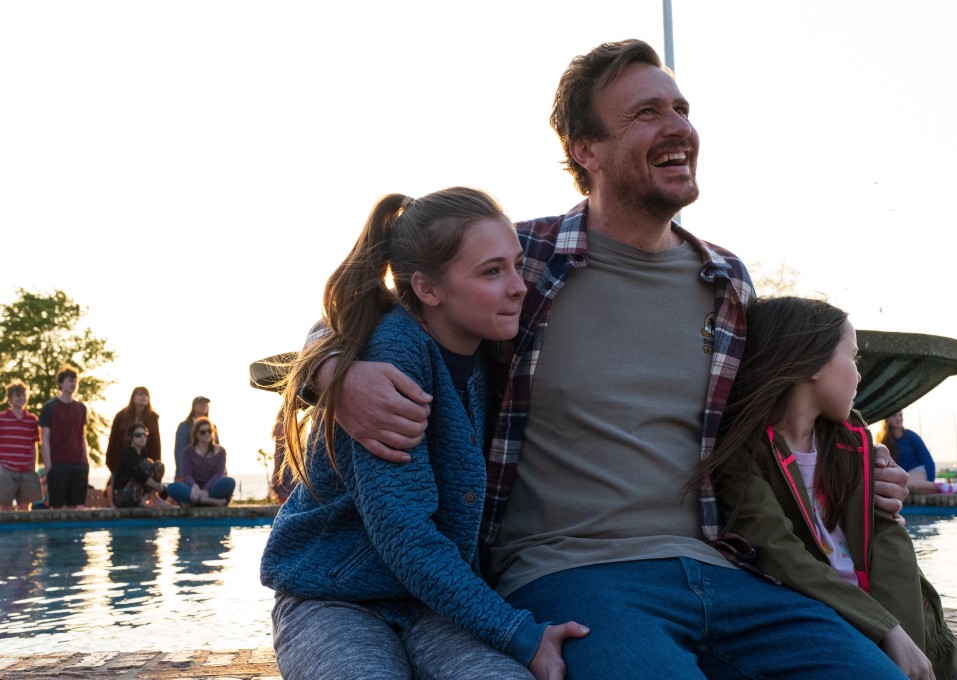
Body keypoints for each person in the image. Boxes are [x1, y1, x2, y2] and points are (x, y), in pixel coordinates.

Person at [314, 39, 911, 678]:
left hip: (727, 570)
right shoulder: (522, 262)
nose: (679, 126)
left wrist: (856, 469)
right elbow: (369, 304)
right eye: (646, 113)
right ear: (586, 148)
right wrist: (332, 373)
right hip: (569, 573)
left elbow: (779, 423)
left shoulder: (728, 281)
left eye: (681, 108)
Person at [261, 188, 588, 680]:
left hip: (433, 602)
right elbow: (405, 533)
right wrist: (519, 634)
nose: (520, 286)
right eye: (492, 272)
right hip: (333, 597)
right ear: (428, 290)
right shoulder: (391, 357)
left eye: (516, 266)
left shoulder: (485, 341)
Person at [709, 297, 957, 680]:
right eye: (854, 358)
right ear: (811, 363)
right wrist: (887, 631)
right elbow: (778, 551)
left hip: (919, 642)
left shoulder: (854, 440)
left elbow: (890, 545)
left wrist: (906, 637)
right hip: (838, 638)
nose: (859, 375)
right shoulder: (743, 451)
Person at [39, 365, 90, 508]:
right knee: (57, 508)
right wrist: (49, 466)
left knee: (77, 508)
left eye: (75, 381)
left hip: (79, 465)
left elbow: (82, 437)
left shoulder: (81, 408)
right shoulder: (50, 407)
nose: (73, 384)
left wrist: (86, 462)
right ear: (61, 383)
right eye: (69, 380)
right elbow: (45, 438)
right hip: (58, 464)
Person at [165, 416, 235, 506]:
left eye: (209, 431)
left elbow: (218, 474)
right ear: (196, 434)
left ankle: (194, 502)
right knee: (171, 488)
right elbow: (187, 475)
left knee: (229, 482)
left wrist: (206, 490)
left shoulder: (221, 451)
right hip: (193, 490)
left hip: (212, 489)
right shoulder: (188, 451)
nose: (207, 434)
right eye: (203, 432)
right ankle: (210, 502)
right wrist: (195, 487)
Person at [0, 380, 42, 511]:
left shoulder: (32, 420)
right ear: (10, 399)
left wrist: (33, 466)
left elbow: (33, 444)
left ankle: (26, 533)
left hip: (26, 469)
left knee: (25, 506)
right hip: (6, 468)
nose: (21, 398)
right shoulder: (1, 418)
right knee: (5, 504)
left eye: (24, 395)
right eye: (18, 395)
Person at [877, 411, 938, 494]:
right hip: (901, 476)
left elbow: (928, 460)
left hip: (918, 470)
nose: (898, 418)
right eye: (894, 415)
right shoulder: (883, 441)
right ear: (887, 419)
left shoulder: (911, 436)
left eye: (900, 415)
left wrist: (930, 479)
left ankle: (942, 487)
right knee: (902, 486)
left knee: (906, 484)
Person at [106, 386, 161, 478]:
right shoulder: (121, 416)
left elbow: (156, 444)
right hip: (122, 462)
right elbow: (113, 441)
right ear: (133, 398)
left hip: (145, 464)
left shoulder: (152, 417)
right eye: (140, 394)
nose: (144, 397)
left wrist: (156, 464)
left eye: (146, 395)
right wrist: (111, 464)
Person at [111, 423, 171, 508]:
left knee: (158, 465)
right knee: (145, 464)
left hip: (136, 493)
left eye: (145, 435)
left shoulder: (143, 454)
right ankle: (144, 499)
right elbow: (138, 474)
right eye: (138, 435)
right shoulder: (128, 453)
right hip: (122, 496)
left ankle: (153, 497)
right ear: (131, 437)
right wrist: (157, 485)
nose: (142, 437)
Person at [174, 396, 211, 482]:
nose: (203, 405)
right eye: (200, 403)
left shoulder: (212, 428)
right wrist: (184, 472)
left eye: (206, 404)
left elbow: (216, 450)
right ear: (194, 406)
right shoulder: (184, 426)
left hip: (208, 473)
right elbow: (179, 451)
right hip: (187, 473)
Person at [270, 406, 296, 503]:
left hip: (290, 468)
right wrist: (276, 473)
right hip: (285, 469)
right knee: (286, 500)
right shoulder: (282, 426)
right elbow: (277, 452)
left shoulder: (291, 426)